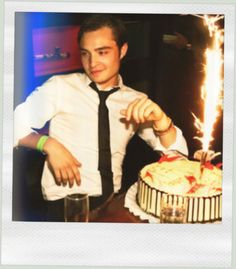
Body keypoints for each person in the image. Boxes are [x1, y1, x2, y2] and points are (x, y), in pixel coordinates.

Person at [14, 14, 188, 221]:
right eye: (85, 54)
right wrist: (47, 143)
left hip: (112, 204)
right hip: (66, 205)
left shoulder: (135, 100)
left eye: (102, 52)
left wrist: (162, 121)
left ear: (122, 51)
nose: (92, 63)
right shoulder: (60, 86)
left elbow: (179, 158)